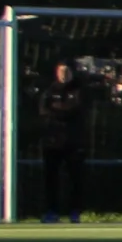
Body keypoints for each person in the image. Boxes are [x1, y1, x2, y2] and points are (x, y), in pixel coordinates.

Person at [37, 62, 91, 224]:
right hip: (52, 143)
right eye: (61, 71)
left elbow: (76, 109)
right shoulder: (50, 91)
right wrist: (60, 111)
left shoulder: (79, 90)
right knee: (51, 179)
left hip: (74, 142)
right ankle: (52, 212)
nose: (64, 75)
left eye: (66, 71)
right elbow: (44, 110)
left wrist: (57, 110)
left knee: (75, 179)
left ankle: (75, 212)